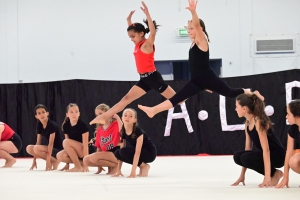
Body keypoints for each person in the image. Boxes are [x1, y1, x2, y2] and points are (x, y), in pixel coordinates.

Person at [138, 0, 260, 118]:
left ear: (199, 29)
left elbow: (196, 24)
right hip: (197, 81)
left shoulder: (202, 41)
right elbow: (193, 27)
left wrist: (193, 12)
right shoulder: (193, 44)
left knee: (231, 93)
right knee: (178, 99)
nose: (189, 31)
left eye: (191, 29)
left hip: (207, 78)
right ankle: (153, 111)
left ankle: (253, 93)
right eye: (188, 28)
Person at [90, 1, 177, 126]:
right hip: (144, 79)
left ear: (141, 34)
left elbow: (152, 33)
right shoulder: (137, 43)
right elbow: (134, 30)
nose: (132, 39)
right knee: (126, 99)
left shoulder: (146, 44)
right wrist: (129, 20)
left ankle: (198, 87)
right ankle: (104, 116)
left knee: (177, 99)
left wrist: (148, 14)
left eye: (133, 36)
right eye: (130, 37)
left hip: (153, 78)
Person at [232, 92, 285, 187]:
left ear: (244, 109)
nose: (235, 109)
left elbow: (266, 150)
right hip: (267, 154)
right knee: (238, 156)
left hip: (278, 156)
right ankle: (274, 173)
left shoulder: (258, 122)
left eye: (237, 106)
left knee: (245, 157)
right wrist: (242, 176)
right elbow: (247, 150)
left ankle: (275, 174)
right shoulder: (247, 124)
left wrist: (267, 177)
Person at [112, 108, 156, 178]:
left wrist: (133, 172)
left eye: (130, 116)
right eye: (125, 115)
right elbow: (121, 149)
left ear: (135, 120)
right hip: (139, 152)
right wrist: (118, 171)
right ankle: (143, 166)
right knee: (117, 152)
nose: (127, 117)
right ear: (122, 118)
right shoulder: (123, 131)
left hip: (149, 153)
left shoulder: (138, 131)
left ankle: (144, 166)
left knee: (123, 151)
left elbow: (137, 152)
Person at [83, 104, 122, 175]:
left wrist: (117, 118)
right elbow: (99, 147)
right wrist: (99, 166)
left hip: (116, 152)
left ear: (107, 113)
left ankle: (116, 165)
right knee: (86, 160)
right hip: (105, 154)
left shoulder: (115, 124)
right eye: (97, 115)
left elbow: (123, 130)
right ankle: (112, 167)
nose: (99, 116)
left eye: (100, 114)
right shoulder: (99, 130)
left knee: (93, 157)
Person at [56, 103, 94, 172]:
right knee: (59, 156)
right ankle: (80, 164)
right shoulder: (66, 126)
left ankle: (78, 166)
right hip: (75, 150)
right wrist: (67, 164)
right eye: (71, 112)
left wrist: (86, 164)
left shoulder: (82, 125)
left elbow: (85, 145)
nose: (74, 114)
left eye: (76, 112)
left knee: (66, 142)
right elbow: (67, 147)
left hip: (87, 149)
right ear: (67, 114)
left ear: (79, 113)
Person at [26, 104, 63, 171]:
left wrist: (47, 161)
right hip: (50, 149)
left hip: (58, 150)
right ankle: (53, 160)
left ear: (47, 113)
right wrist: (34, 161)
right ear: (36, 116)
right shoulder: (39, 125)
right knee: (29, 148)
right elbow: (38, 142)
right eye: (39, 113)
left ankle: (55, 160)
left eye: (43, 112)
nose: (42, 115)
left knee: (36, 148)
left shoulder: (52, 125)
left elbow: (51, 144)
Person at [276, 99, 300, 188]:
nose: (286, 117)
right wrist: (285, 177)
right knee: (293, 161)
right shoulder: (292, 129)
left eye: (288, 114)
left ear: (297, 117)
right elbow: (289, 152)